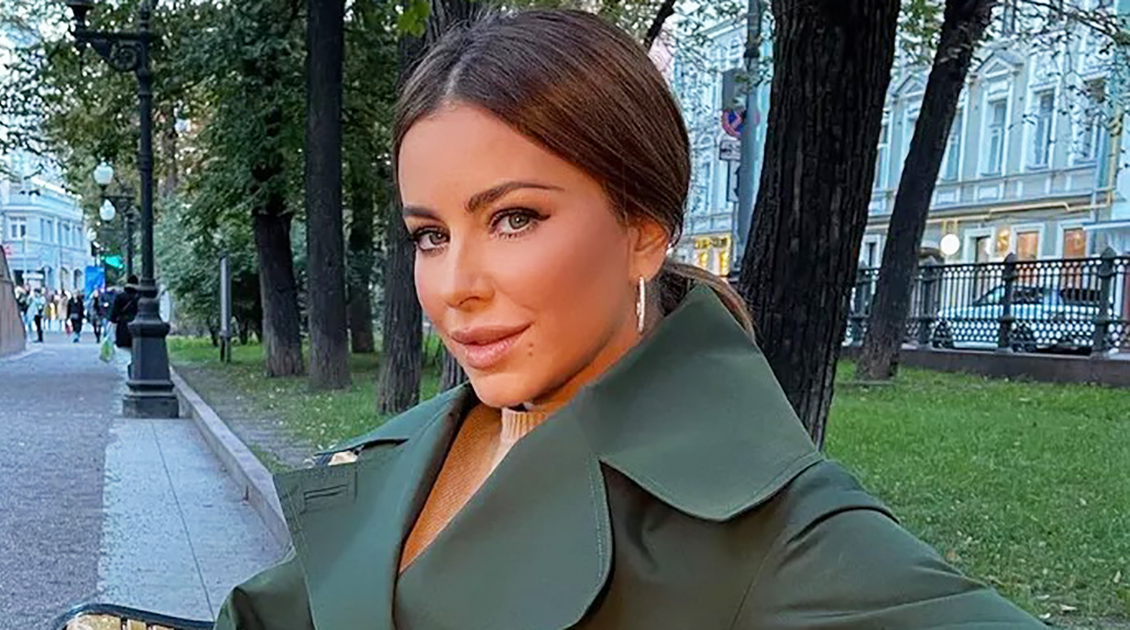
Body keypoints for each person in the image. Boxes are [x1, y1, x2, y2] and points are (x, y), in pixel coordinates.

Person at [214, 10, 1040, 630]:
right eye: (430, 235)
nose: (454, 286)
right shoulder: (411, 450)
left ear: (642, 232)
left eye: (513, 219)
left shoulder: (761, 524)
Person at [111, 275, 139, 350]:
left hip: (123, 325)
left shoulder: (120, 296)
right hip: (137, 326)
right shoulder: (140, 297)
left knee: (124, 349)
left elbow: (114, 315)